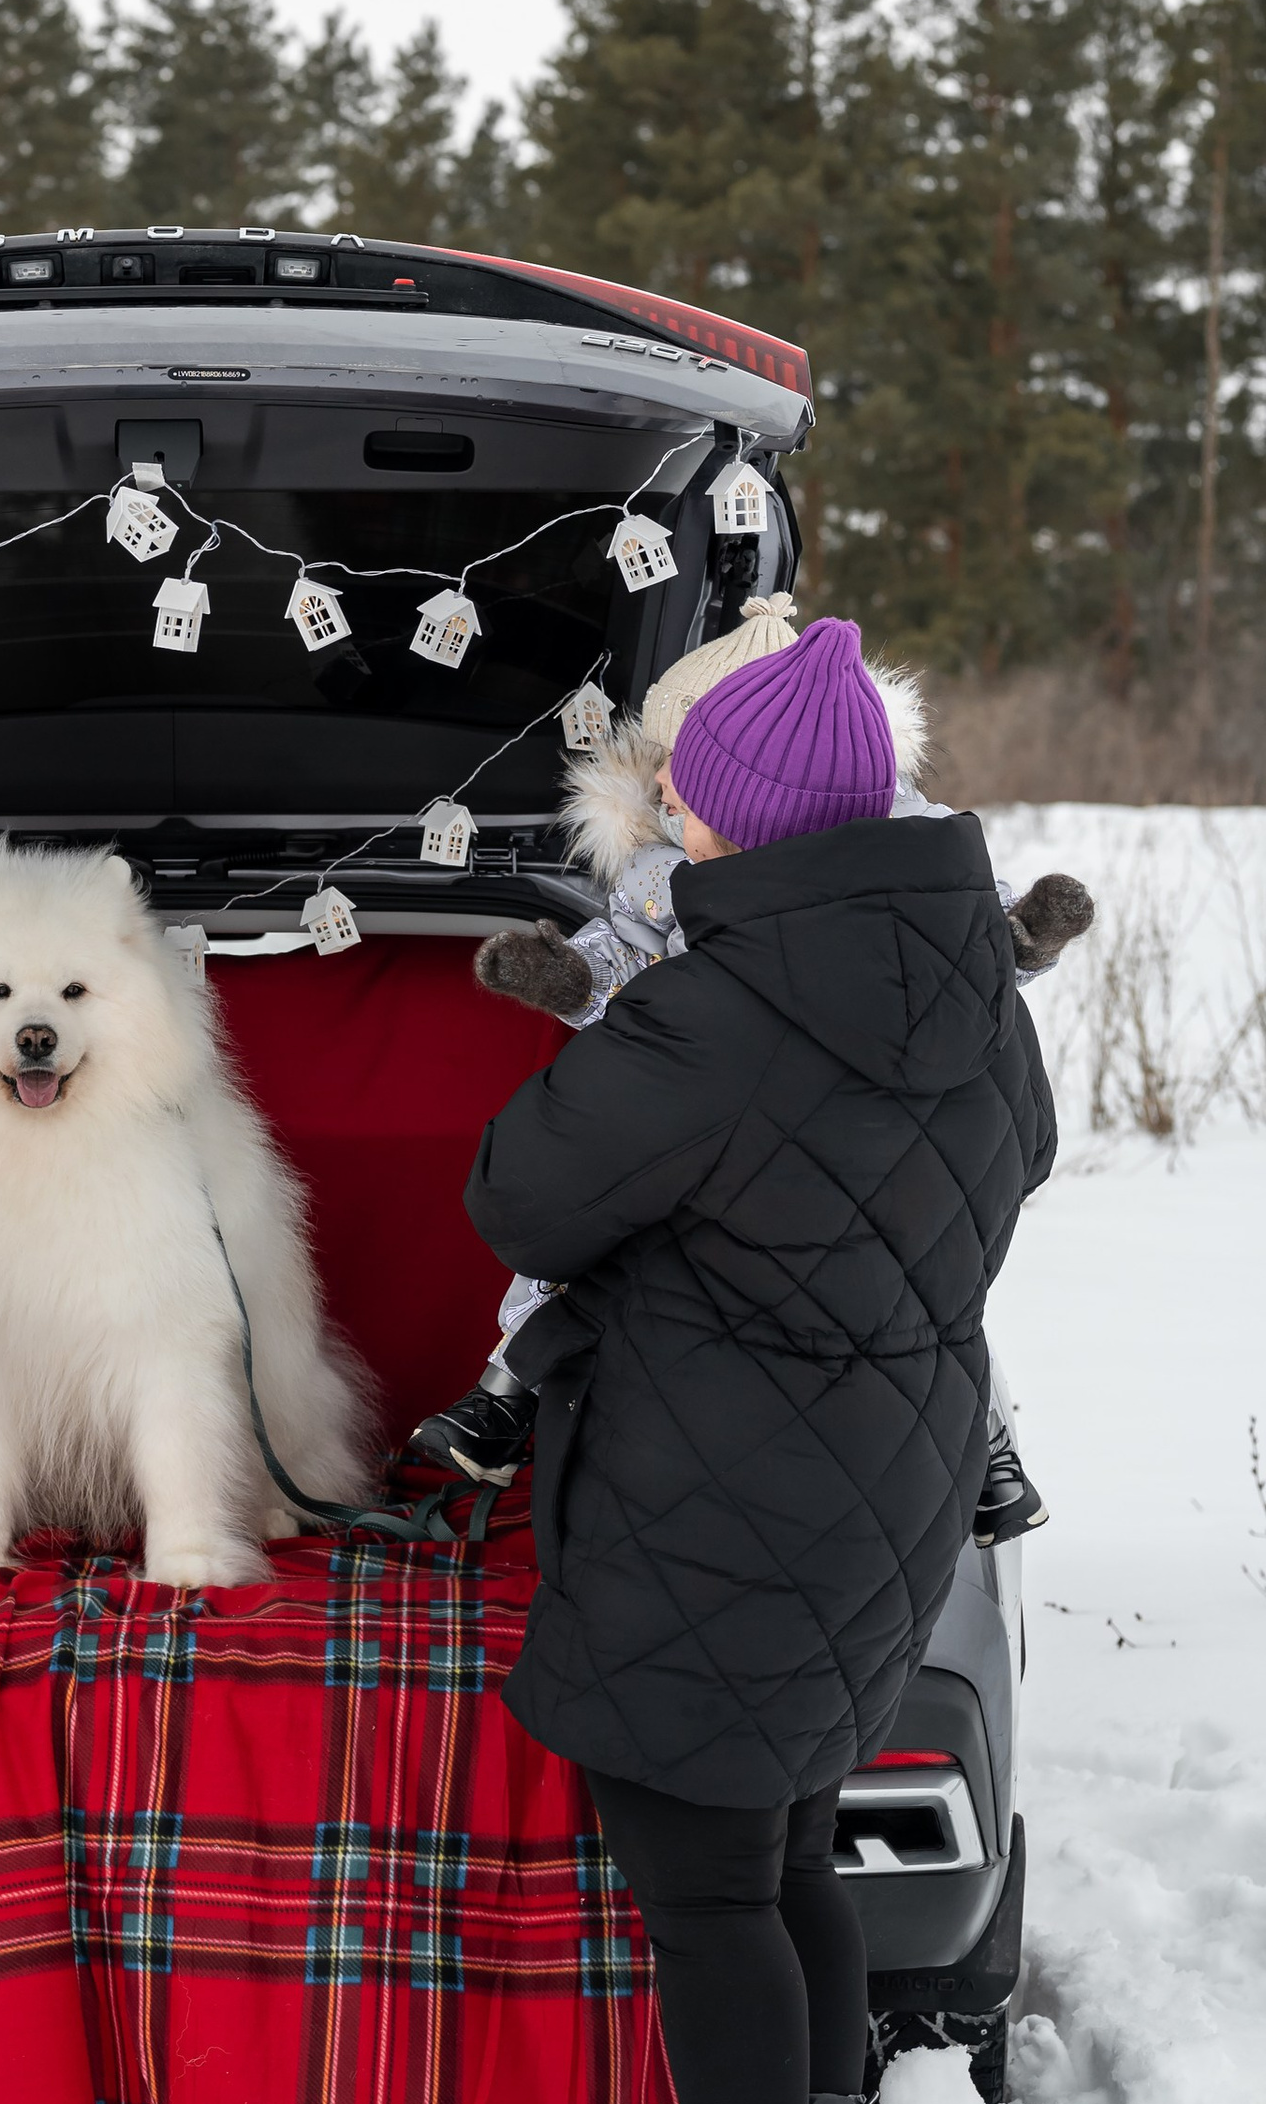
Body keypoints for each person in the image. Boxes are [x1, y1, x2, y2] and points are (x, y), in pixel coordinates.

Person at [465, 617, 1056, 2104]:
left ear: (760, 823)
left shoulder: (718, 1011)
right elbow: (1013, 1157)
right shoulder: (964, 978)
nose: (679, 834)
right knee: (789, 1836)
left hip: (723, 1483)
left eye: (698, 808)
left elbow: (522, 1200)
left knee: (707, 1877)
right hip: (890, 1472)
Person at [417, 593, 1087, 1548]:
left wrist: (1019, 940)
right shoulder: (686, 885)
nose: (666, 795)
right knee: (924, 1295)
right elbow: (1027, 1140)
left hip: (716, 1465)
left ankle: (989, 1454)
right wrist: (574, 979)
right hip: (858, 1494)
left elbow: (524, 1193)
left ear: (748, 788)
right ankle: (507, 1393)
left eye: (685, 776)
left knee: (920, 1297)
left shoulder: (718, 1005)